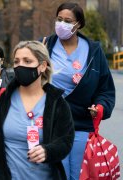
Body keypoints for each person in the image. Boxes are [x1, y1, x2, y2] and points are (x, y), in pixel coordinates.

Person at [0, 41, 75, 180]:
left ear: (42, 66)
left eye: (27, 61)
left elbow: (65, 141)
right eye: (17, 61)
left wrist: (48, 151)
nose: (20, 65)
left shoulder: (57, 103)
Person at [42, 2, 115, 179]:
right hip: (51, 126)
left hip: (81, 126)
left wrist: (100, 107)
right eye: (59, 19)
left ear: (79, 24)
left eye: (68, 21)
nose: (62, 24)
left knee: (79, 175)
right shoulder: (44, 46)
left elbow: (105, 89)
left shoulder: (94, 51)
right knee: (55, 174)